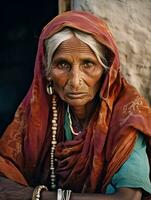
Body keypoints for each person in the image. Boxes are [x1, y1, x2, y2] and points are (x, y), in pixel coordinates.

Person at [0, 10, 151, 200]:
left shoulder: (127, 115)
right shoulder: (38, 114)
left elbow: (127, 198)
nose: (75, 80)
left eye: (88, 64)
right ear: (47, 72)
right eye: (62, 65)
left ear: (106, 71)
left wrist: (38, 195)